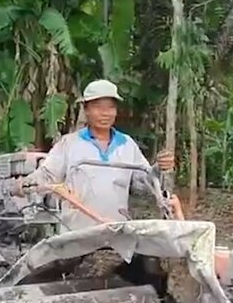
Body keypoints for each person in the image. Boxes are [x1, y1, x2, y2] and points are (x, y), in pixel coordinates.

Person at [13, 79, 175, 231]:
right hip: (76, 233)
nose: (105, 113)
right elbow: (47, 176)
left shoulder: (127, 145)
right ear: (86, 110)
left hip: (116, 232)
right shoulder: (69, 143)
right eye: (98, 107)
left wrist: (158, 168)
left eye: (110, 107)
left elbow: (144, 184)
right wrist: (26, 184)